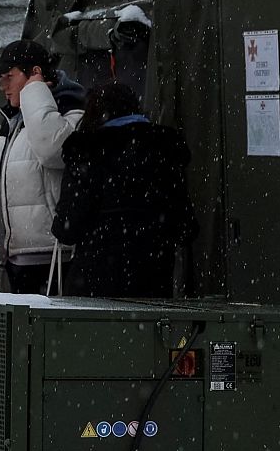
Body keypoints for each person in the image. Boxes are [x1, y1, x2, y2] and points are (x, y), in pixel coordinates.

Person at [52, 82, 196, 298]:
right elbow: (185, 227)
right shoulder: (164, 149)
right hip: (153, 281)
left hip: (94, 284)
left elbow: (67, 228)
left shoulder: (86, 151)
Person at [0, 39, 86, 294]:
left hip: (56, 256)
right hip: (15, 258)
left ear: (35, 73)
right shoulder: (13, 121)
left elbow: (52, 150)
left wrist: (35, 91)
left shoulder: (73, 111)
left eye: (9, 76)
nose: (3, 86)